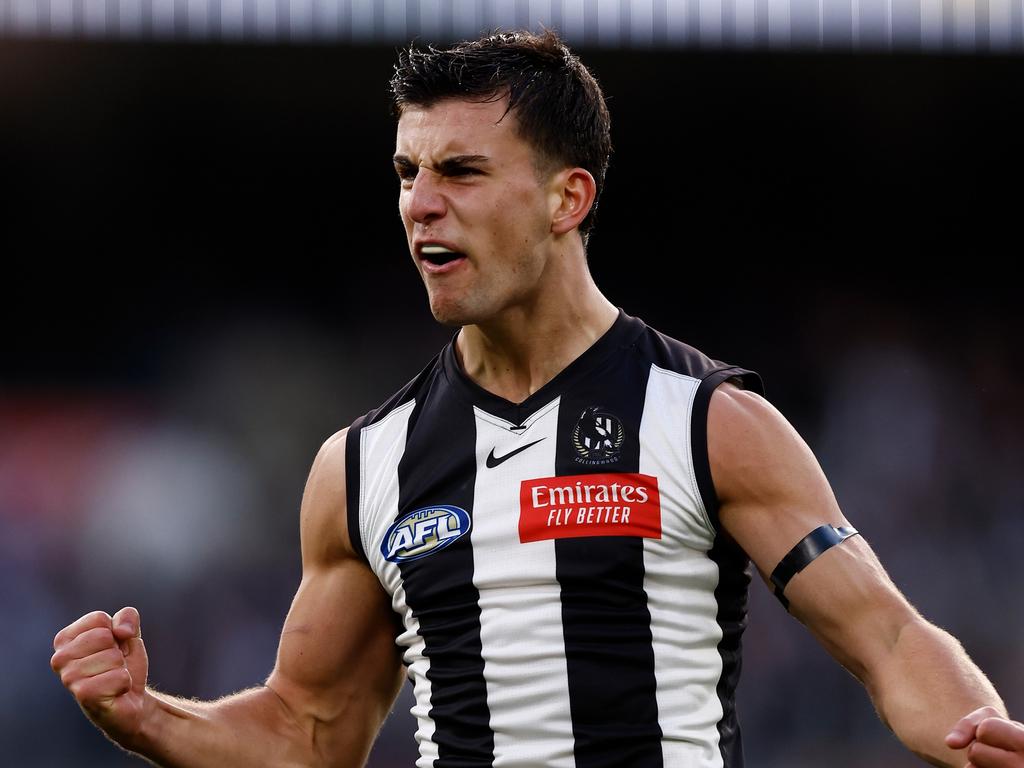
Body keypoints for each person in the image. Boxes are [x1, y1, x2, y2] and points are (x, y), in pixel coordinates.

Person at [51, 30, 1020, 768]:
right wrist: (148, 716)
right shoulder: (361, 463)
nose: (421, 203)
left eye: (462, 171)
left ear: (567, 200)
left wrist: (974, 734)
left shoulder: (707, 421)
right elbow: (308, 730)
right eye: (407, 173)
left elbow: (888, 635)